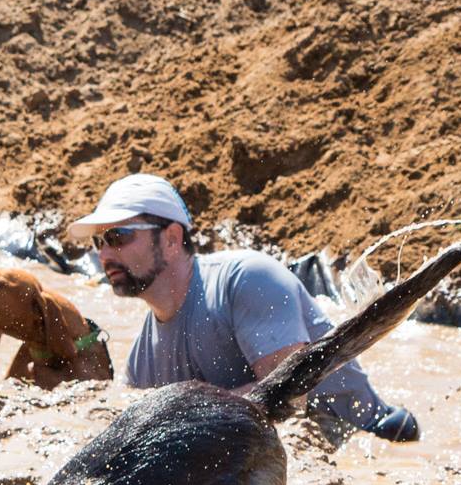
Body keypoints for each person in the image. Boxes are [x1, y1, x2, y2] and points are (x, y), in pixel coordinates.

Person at [62, 174, 421, 442]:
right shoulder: (141, 362)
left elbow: (290, 399)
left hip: (372, 439)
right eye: (98, 241)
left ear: (171, 239)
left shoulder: (246, 279)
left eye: (118, 237)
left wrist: (175, 415)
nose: (104, 255)